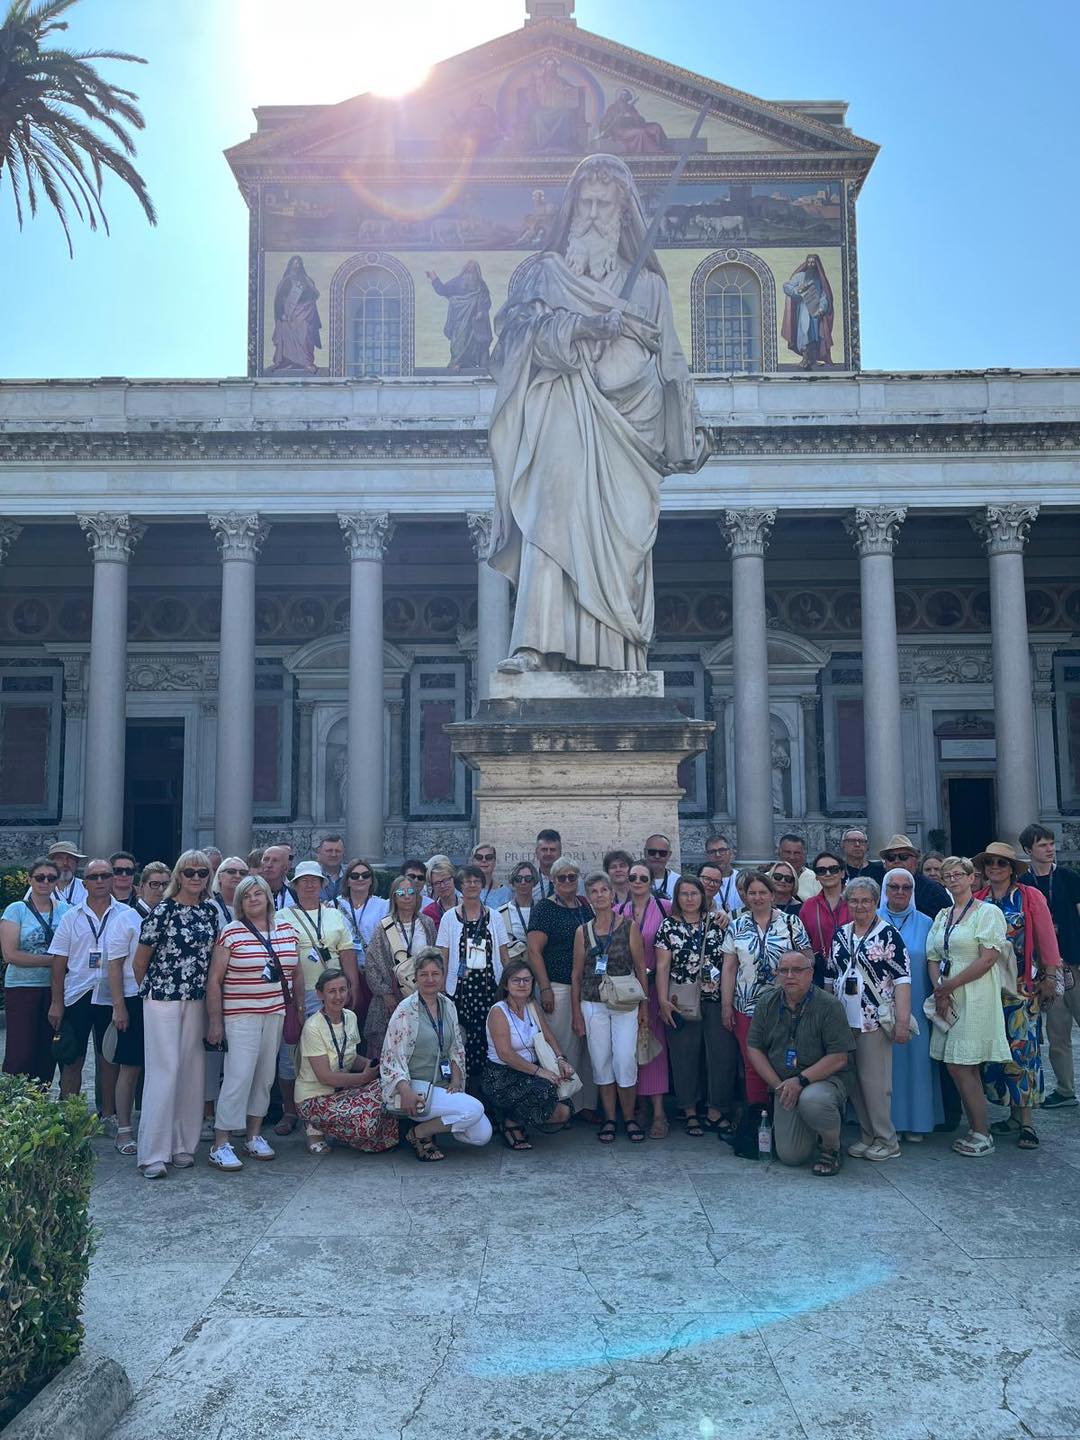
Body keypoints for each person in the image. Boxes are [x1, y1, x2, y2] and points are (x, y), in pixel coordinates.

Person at [489, 152, 705, 674]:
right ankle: (534, 645)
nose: (590, 214)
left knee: (621, 543)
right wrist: (584, 328)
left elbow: (670, 363)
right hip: (559, 413)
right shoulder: (544, 275)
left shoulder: (648, 287)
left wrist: (687, 426)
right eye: (583, 202)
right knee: (548, 514)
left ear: (622, 214)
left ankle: (617, 657)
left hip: (625, 435)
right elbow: (511, 342)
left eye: (603, 204)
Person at [203, 875, 302, 1170]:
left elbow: (296, 973)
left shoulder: (288, 930)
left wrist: (298, 1009)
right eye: (246, 896)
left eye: (258, 893)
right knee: (238, 1076)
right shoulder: (231, 932)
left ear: (268, 897)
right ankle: (221, 1142)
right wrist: (215, 1022)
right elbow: (215, 980)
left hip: (275, 1012)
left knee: (265, 1076)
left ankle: (253, 1135)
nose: (253, 899)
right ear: (240, 903)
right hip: (240, 1014)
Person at [132, 851, 219, 1178]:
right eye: (189, 872)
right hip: (162, 999)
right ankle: (153, 1152)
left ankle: (183, 1145)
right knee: (164, 1071)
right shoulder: (163, 911)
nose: (196, 878)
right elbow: (139, 962)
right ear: (178, 876)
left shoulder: (210, 913)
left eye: (202, 873)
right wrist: (153, 991)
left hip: (196, 999)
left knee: (192, 1073)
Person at [975, 841, 1061, 1151]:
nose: (995, 867)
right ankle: (1011, 1114)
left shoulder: (1029, 897)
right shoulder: (978, 900)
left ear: (1012, 869)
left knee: (1023, 1051)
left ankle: (1027, 1122)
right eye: (990, 863)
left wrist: (1050, 976)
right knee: (996, 1052)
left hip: (1022, 987)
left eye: (1001, 863)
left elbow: (1046, 939)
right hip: (988, 988)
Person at [925, 857, 1011, 1157]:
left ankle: (982, 1132)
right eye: (947, 876)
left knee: (962, 1064)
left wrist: (949, 986)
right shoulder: (943, 915)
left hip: (974, 994)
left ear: (972, 878)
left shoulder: (988, 912)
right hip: (947, 994)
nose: (953, 880)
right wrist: (940, 989)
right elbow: (933, 957)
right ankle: (976, 1128)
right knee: (957, 1065)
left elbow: (987, 958)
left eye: (958, 874)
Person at [722, 872, 813, 1152]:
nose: (758, 897)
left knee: (783, 1061)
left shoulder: (791, 923)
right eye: (752, 893)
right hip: (746, 1005)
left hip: (785, 1005)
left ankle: (784, 1121)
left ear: (773, 895)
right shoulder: (736, 925)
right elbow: (729, 967)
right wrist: (726, 1005)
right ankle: (757, 1126)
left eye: (763, 892)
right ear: (745, 896)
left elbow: (808, 958)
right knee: (752, 1065)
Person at [746, 952, 856, 1175]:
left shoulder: (829, 1005)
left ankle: (831, 1146)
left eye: (797, 970)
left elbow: (839, 1057)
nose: (789, 976)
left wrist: (801, 1081)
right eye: (783, 970)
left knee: (812, 1100)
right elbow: (754, 1048)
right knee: (791, 1156)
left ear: (810, 974)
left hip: (824, 1081)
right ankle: (815, 1128)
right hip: (785, 1083)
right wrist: (778, 1086)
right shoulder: (767, 1003)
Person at [47, 858, 142, 1114]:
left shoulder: (127, 915)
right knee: (72, 1059)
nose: (100, 881)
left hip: (112, 996)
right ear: (85, 883)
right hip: (78, 994)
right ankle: (71, 1117)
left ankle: (109, 1115)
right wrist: (56, 1002)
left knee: (109, 1059)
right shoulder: (71, 917)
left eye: (105, 875)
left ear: (112, 879)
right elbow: (58, 963)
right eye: (93, 877)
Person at [827, 877, 911, 1161]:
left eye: (866, 900)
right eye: (854, 900)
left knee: (875, 1083)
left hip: (873, 1019)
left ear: (876, 902)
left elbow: (902, 979)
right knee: (855, 1083)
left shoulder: (888, 934)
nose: (859, 906)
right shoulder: (841, 933)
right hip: (844, 1020)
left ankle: (887, 1140)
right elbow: (831, 976)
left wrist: (902, 1021)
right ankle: (867, 1136)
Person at [381, 949, 493, 1159]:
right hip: (416, 1089)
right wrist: (405, 1091)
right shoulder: (406, 1010)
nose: (430, 979)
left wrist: (457, 1079)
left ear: (443, 976)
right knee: (474, 1109)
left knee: (481, 1135)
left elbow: (456, 1048)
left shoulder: (448, 1005)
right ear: (416, 977)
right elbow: (391, 1057)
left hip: (444, 1085)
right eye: (424, 974)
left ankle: (428, 1129)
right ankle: (419, 1133)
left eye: (435, 974)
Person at [277, 861, 358, 1135]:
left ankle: (323, 1111)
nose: (309, 884)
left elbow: (347, 952)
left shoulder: (334, 915)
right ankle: (290, 1110)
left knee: (333, 1049)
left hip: (334, 994)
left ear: (323, 885)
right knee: (291, 1052)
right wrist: (296, 1000)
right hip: (298, 994)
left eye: (314, 880)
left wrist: (352, 988)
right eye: (304, 880)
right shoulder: (282, 916)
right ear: (295, 885)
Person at [571, 872, 648, 1142]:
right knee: (601, 1061)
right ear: (588, 897)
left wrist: (645, 1009)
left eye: (604, 890)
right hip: (593, 1002)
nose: (600, 895)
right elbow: (576, 975)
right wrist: (576, 1014)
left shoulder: (629, 927)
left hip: (625, 1002)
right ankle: (610, 1118)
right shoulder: (583, 931)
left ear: (612, 894)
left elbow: (640, 967)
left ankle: (629, 1117)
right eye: (594, 891)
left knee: (625, 1059)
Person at [656, 876, 733, 1138]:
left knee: (721, 1056)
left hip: (715, 998)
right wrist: (663, 1001)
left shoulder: (718, 923)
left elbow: (729, 962)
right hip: (681, 999)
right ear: (676, 898)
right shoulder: (668, 926)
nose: (689, 899)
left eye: (694, 893)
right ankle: (689, 1111)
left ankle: (715, 1110)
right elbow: (663, 966)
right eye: (684, 894)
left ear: (703, 896)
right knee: (684, 1057)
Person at [294, 969, 398, 1155]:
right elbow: (325, 1077)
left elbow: (350, 1057)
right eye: (331, 991)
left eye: (342, 990)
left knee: (390, 1089)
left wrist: (376, 1066)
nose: (338, 996)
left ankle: (339, 1131)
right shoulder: (313, 1027)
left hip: (342, 1092)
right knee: (365, 1122)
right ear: (320, 994)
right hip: (314, 1097)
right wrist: (363, 1078)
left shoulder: (350, 1017)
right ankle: (314, 1126)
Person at [527, 857, 597, 1117]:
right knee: (564, 1047)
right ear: (553, 880)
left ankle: (587, 1105)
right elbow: (534, 950)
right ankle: (564, 1105)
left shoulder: (585, 905)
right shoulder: (545, 909)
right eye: (562, 877)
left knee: (588, 1048)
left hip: (587, 986)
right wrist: (545, 988)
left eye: (572, 876)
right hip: (558, 986)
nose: (567, 881)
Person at [1019, 823, 1080, 1108]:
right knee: (1057, 1033)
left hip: (1075, 961)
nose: (1050, 849)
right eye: (1043, 845)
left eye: (1051, 843)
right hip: (1046, 970)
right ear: (1028, 850)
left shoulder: (1068, 877)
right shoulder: (1024, 884)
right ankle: (1066, 1091)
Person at [484, 958, 574, 1148]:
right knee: (544, 1089)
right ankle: (510, 1123)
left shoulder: (531, 1005)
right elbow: (505, 1054)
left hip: (530, 1071)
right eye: (516, 980)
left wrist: (560, 1060)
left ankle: (515, 1117)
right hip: (503, 1076)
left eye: (527, 980)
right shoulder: (498, 1011)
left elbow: (548, 1036)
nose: (522, 984)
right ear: (506, 985)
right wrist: (540, 1072)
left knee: (565, 1110)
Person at [879, 867, 941, 1140]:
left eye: (906, 887)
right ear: (885, 890)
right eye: (894, 887)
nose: (900, 892)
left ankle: (918, 1122)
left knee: (916, 1063)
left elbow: (934, 962)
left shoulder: (927, 923)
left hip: (916, 1003)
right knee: (884, 1064)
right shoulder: (872, 919)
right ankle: (884, 1122)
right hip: (879, 1004)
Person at [436, 864, 510, 1084]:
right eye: (467, 881)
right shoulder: (449, 918)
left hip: (488, 989)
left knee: (488, 1039)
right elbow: (443, 955)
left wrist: (510, 985)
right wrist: (441, 988)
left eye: (476, 881)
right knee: (461, 1041)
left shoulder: (494, 917)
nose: (472, 885)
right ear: (460, 885)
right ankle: (464, 1087)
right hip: (460, 991)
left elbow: (504, 955)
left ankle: (490, 1089)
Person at [2, 856, 70, 1083]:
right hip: (22, 987)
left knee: (47, 1051)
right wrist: (54, 961)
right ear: (30, 880)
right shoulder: (16, 910)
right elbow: (10, 955)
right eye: (40, 877)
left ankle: (41, 1099)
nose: (45, 882)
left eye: (51, 878)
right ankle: (13, 1100)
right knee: (20, 1052)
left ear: (56, 882)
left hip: (55, 988)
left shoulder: (66, 911)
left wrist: (56, 962)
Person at [617, 860, 670, 1136]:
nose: (637, 882)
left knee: (654, 1048)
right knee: (630, 1048)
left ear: (651, 882)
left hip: (654, 988)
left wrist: (720, 915)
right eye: (633, 877)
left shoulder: (665, 908)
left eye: (643, 878)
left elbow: (695, 914)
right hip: (626, 992)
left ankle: (660, 1112)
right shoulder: (618, 911)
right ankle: (641, 1106)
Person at [363, 875, 437, 1057]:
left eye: (411, 891)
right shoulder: (384, 927)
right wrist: (386, 994)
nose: (407, 896)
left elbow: (436, 957)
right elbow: (372, 963)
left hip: (422, 994)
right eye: (401, 893)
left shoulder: (426, 923)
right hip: (392, 997)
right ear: (394, 897)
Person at [425, 261, 492, 372]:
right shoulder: (457, 282)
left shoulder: (481, 285)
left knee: (477, 343)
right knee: (459, 342)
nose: (470, 275)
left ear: (477, 273)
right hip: (460, 321)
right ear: (464, 271)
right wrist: (434, 279)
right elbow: (443, 290)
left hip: (475, 323)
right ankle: (457, 362)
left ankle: (474, 364)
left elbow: (486, 300)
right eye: (468, 271)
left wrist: (481, 311)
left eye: (473, 272)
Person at [800, 852, 850, 987]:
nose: (828, 874)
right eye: (821, 870)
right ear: (816, 876)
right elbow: (803, 943)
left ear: (842, 873)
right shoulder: (808, 906)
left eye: (833, 869)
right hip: (820, 973)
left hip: (852, 969)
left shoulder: (855, 902)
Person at [781, 253, 834, 369]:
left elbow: (824, 296)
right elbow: (787, 286)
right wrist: (798, 290)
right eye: (809, 262)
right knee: (804, 332)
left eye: (813, 262)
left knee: (815, 335)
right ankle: (805, 358)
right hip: (803, 310)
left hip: (815, 311)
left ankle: (813, 359)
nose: (811, 264)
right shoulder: (800, 276)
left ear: (816, 264)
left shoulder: (820, 279)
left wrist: (822, 308)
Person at [270, 254, 321, 373]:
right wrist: (281, 314)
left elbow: (314, 294)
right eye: (295, 263)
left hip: (306, 314)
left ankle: (307, 362)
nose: (297, 265)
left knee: (305, 336)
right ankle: (288, 362)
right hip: (290, 316)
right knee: (288, 339)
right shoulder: (286, 281)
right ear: (291, 265)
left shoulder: (307, 280)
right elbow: (279, 299)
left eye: (299, 263)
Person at [878, 835, 950, 919]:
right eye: (891, 857)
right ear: (885, 863)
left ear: (915, 861)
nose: (897, 861)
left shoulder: (933, 890)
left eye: (903, 856)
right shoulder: (876, 887)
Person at [498, 861, 538, 960]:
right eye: (518, 879)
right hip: (513, 963)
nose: (523, 882)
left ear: (534, 882)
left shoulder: (543, 909)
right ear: (513, 882)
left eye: (528, 878)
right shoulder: (501, 912)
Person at [703, 835, 741, 914]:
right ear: (706, 855)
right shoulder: (702, 883)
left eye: (722, 850)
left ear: (730, 852)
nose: (717, 855)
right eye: (712, 852)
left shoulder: (741, 879)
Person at [209, 856, 249, 929]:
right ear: (219, 877)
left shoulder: (253, 905)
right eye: (231, 871)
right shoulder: (210, 907)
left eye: (242, 873)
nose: (237, 876)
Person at [777, 834, 820, 900]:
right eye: (787, 852)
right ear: (779, 852)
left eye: (796, 853)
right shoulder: (767, 879)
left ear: (804, 854)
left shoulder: (816, 880)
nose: (792, 857)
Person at [46, 840, 87, 907]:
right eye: (60, 858)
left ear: (77, 862)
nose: (65, 863)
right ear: (51, 863)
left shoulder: (87, 889)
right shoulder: (39, 887)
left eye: (70, 858)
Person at [470, 842, 511, 907]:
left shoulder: (505, 893)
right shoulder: (463, 889)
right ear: (472, 861)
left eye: (489, 857)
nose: (484, 860)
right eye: (479, 857)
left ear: (494, 862)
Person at [643, 834, 680, 901]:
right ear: (645, 853)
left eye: (662, 853)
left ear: (669, 855)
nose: (657, 856)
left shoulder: (678, 882)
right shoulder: (633, 880)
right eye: (652, 852)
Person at [422, 859, 460, 924]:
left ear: (454, 880)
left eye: (446, 880)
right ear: (432, 886)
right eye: (437, 883)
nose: (442, 886)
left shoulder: (469, 906)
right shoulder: (428, 913)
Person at [260, 844, 294, 912]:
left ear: (285, 868)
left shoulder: (294, 896)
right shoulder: (250, 894)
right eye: (266, 860)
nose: (269, 865)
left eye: (275, 860)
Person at [314, 834, 346, 903]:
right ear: (319, 852)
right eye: (329, 851)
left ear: (343, 853)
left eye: (337, 851)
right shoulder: (312, 876)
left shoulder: (352, 876)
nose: (333, 854)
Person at [532, 830, 562, 901]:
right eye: (544, 849)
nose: (548, 853)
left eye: (552, 850)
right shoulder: (528, 882)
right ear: (536, 852)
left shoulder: (572, 881)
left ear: (560, 853)